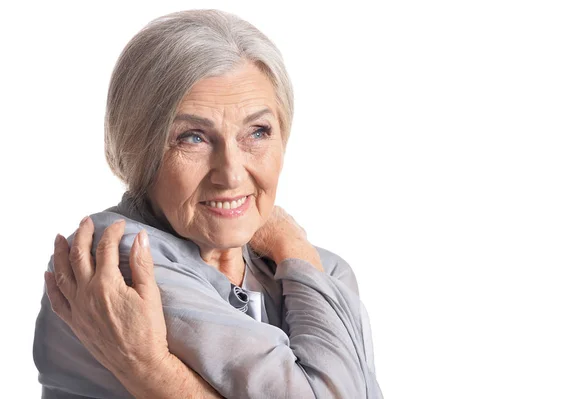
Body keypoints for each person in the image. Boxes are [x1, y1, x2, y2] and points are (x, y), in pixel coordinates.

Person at [33, 9, 383, 398]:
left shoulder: (323, 270)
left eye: (257, 132)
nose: (231, 174)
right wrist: (154, 371)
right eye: (193, 137)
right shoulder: (117, 259)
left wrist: (154, 372)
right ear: (139, 148)